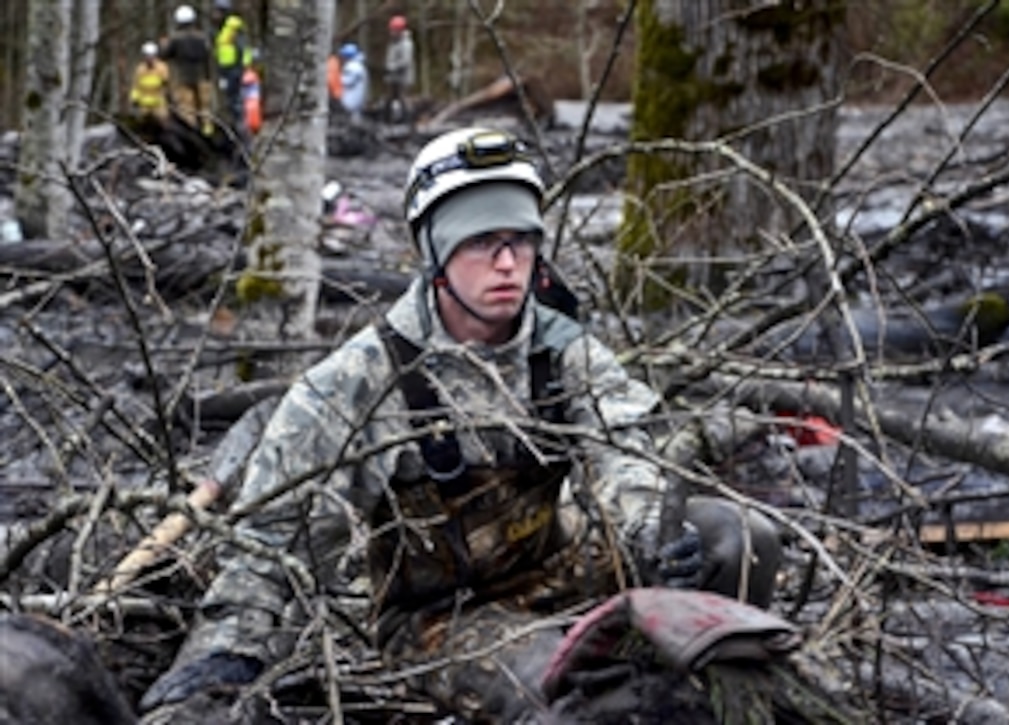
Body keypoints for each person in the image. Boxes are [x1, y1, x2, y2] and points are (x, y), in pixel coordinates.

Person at [138, 127, 782, 722]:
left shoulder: (564, 351)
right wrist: (222, 655)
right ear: (434, 251)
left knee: (738, 535)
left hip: (557, 569)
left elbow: (626, 456)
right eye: (482, 242)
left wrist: (653, 534)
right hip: (440, 619)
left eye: (522, 241)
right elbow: (273, 540)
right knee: (561, 690)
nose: (508, 263)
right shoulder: (357, 379)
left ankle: (702, 693)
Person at [160, 4, 214, 135]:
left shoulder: (175, 39)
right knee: (205, 108)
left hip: (183, 78)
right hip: (202, 76)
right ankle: (208, 132)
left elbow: (165, 55)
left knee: (187, 108)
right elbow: (208, 56)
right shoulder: (201, 38)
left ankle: (191, 133)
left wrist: (163, 45)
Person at [211, 0, 251, 130]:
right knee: (229, 97)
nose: (215, 15)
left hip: (234, 67)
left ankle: (239, 124)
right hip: (225, 68)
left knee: (234, 98)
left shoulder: (233, 26)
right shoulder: (221, 28)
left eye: (218, 11)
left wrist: (244, 65)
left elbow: (243, 46)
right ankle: (232, 123)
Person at [129, 42, 170, 127]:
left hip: (158, 103)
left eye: (151, 55)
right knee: (143, 125)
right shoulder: (140, 69)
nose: (149, 58)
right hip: (144, 104)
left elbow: (166, 84)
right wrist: (134, 99)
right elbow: (136, 86)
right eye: (147, 55)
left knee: (163, 123)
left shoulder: (162, 67)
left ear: (155, 56)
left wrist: (168, 96)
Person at [383, 14, 415, 122]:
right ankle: (390, 120)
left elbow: (405, 61)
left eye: (394, 30)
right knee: (391, 99)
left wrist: (392, 67)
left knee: (404, 99)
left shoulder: (406, 43)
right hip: (393, 77)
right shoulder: (394, 42)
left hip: (403, 77)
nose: (391, 32)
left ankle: (409, 121)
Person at [338, 43, 368, 126]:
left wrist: (337, 77)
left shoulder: (352, 66)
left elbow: (346, 81)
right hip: (357, 99)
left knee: (352, 122)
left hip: (352, 99)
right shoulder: (359, 65)